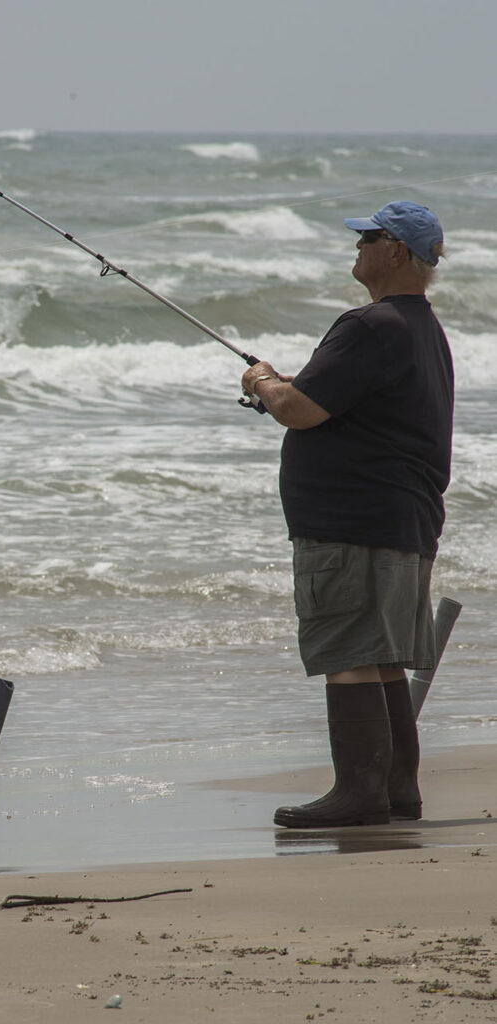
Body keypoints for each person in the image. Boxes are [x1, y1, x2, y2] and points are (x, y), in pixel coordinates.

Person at [240, 200, 453, 829]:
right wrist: (287, 387)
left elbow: (302, 408)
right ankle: (394, 792)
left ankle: (358, 797)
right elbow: (339, 400)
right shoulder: (420, 328)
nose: (356, 246)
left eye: (368, 237)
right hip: (402, 521)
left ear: (396, 252)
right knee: (382, 655)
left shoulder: (370, 325)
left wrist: (264, 384)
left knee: (353, 652)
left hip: (353, 523)